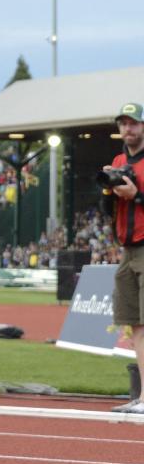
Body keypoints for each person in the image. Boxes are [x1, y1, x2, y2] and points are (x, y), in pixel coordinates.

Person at [104, 102, 144, 414]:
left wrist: (137, 195)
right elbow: (109, 211)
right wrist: (109, 191)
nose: (127, 130)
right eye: (123, 124)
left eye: (133, 124)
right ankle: (142, 397)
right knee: (135, 325)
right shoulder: (118, 160)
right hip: (127, 249)